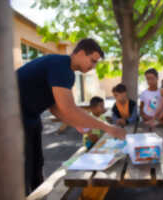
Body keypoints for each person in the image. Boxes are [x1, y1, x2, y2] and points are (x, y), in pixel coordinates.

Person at [17, 38, 126, 195]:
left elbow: (56, 107)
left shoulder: (65, 71)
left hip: (31, 117)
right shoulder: (61, 66)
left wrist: (77, 124)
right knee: (22, 172)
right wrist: (109, 128)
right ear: (80, 53)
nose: (93, 67)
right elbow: (68, 109)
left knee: (36, 165)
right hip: (12, 118)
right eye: (92, 61)